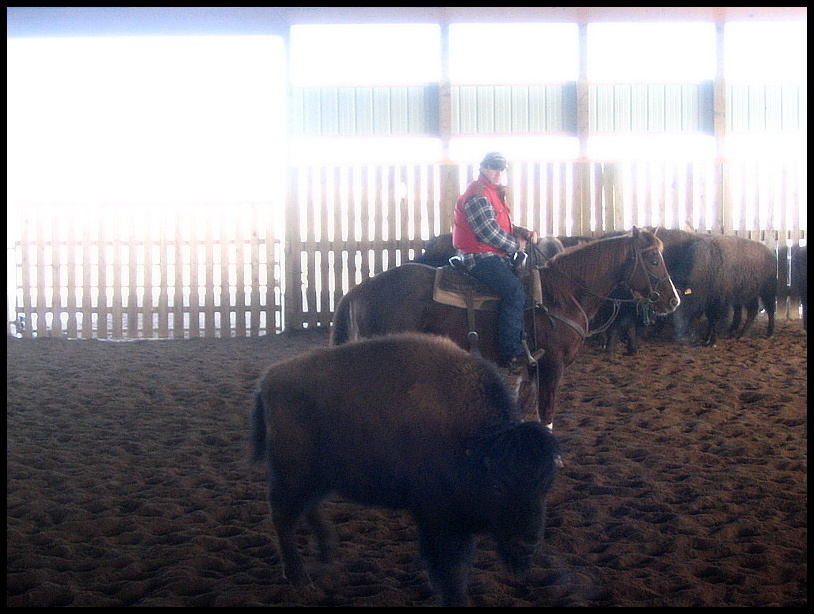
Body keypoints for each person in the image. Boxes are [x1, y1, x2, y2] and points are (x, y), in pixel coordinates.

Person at [452, 151, 538, 374]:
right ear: (482, 168)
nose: (498, 173)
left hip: (491, 254)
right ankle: (511, 353)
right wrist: (515, 246)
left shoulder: (491, 192)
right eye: (493, 168)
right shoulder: (478, 195)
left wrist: (522, 232)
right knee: (515, 291)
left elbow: (500, 226)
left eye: (501, 169)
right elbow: (487, 233)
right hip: (479, 257)